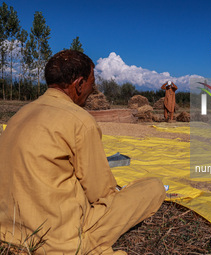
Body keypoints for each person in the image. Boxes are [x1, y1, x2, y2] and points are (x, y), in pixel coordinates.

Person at [0, 50, 165, 254]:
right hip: (59, 239)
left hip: (8, 231)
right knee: (153, 187)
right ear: (79, 84)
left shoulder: (19, 115)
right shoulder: (80, 120)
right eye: (91, 83)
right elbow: (101, 193)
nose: (92, 89)